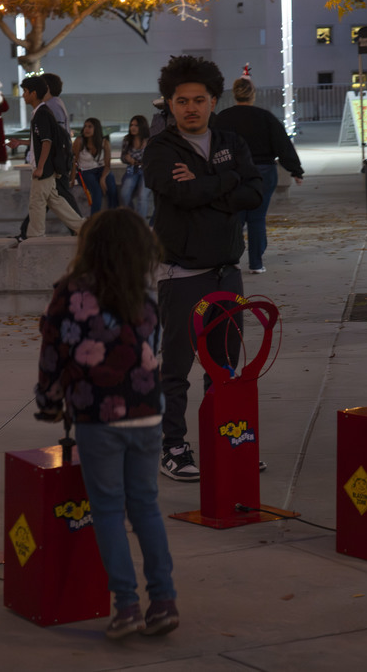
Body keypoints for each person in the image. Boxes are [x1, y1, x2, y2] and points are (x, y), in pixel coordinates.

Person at [35, 207, 177, 639]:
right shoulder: (145, 296)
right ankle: (164, 600)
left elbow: (52, 356)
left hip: (98, 416)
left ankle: (127, 606)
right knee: (146, 506)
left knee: (109, 510)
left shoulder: (69, 293)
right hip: (148, 413)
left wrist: (49, 403)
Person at [143, 55, 263, 482]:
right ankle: (173, 446)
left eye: (199, 99)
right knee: (175, 369)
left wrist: (208, 181)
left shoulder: (232, 140)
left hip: (227, 272)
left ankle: (225, 438)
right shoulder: (159, 150)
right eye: (181, 101)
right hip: (181, 275)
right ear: (169, 105)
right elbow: (181, 196)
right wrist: (228, 180)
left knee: (225, 368)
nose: (190, 107)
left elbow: (255, 191)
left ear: (214, 101)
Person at [212, 76, 304, 274]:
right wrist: (295, 170)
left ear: (234, 94)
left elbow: (212, 146)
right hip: (263, 172)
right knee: (257, 218)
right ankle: (256, 263)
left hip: (233, 173)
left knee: (235, 217)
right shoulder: (265, 117)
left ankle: (232, 258)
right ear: (253, 95)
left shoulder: (222, 118)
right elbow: (282, 145)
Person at [20, 75, 85, 240]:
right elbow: (42, 139)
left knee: (37, 203)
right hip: (50, 167)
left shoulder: (43, 112)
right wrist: (19, 142)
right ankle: (84, 227)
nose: (23, 95)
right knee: (56, 201)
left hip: (45, 168)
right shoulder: (44, 110)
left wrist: (40, 167)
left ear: (34, 93)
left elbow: (47, 141)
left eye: (25, 92)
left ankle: (35, 236)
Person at [73, 117, 119, 215]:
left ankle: (114, 216)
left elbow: (107, 165)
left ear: (96, 129)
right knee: (97, 191)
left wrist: (102, 178)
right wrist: (72, 179)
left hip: (101, 170)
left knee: (112, 187)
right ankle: (94, 221)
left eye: (90, 127)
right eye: (85, 126)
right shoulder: (79, 141)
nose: (86, 129)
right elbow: (74, 161)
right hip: (85, 171)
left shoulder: (104, 143)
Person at [120, 115, 152, 220]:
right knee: (124, 194)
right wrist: (127, 158)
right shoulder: (127, 140)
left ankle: (141, 224)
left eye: (136, 125)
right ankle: (132, 218)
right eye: (131, 125)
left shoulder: (149, 140)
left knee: (143, 196)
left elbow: (153, 158)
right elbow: (122, 157)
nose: (133, 128)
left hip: (146, 170)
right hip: (132, 169)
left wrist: (142, 161)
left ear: (142, 126)